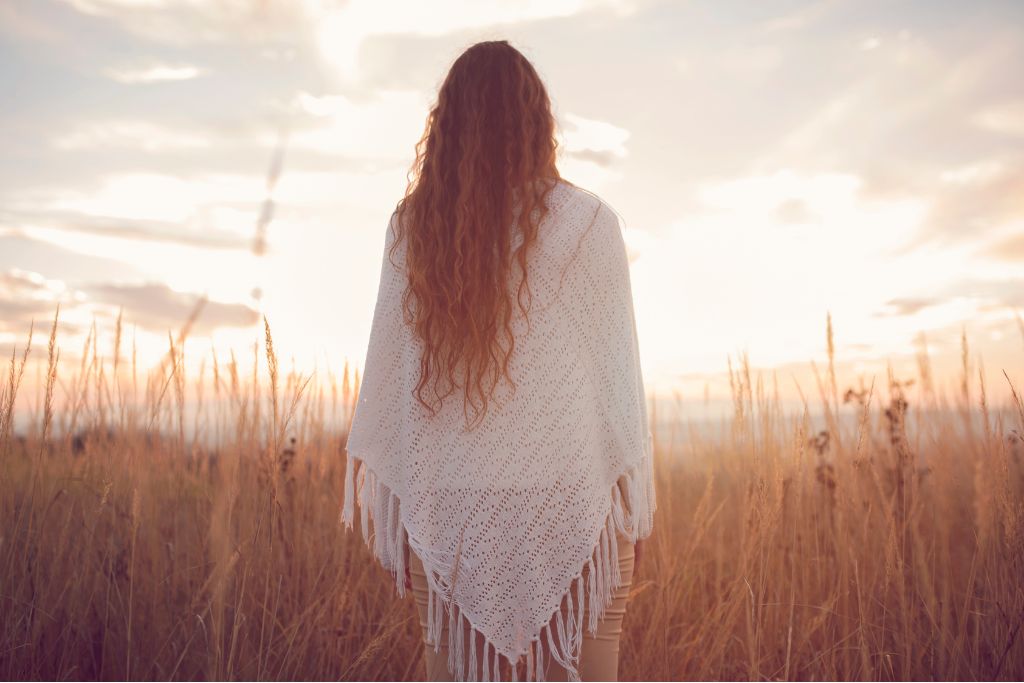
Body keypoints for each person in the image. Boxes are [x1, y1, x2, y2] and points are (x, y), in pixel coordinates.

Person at [341, 39, 656, 682]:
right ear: (538, 121)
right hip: (572, 504)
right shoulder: (590, 224)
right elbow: (617, 391)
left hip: (452, 514)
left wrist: (410, 514)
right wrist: (629, 509)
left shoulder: (414, 230)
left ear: (447, 126)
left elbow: (396, 395)